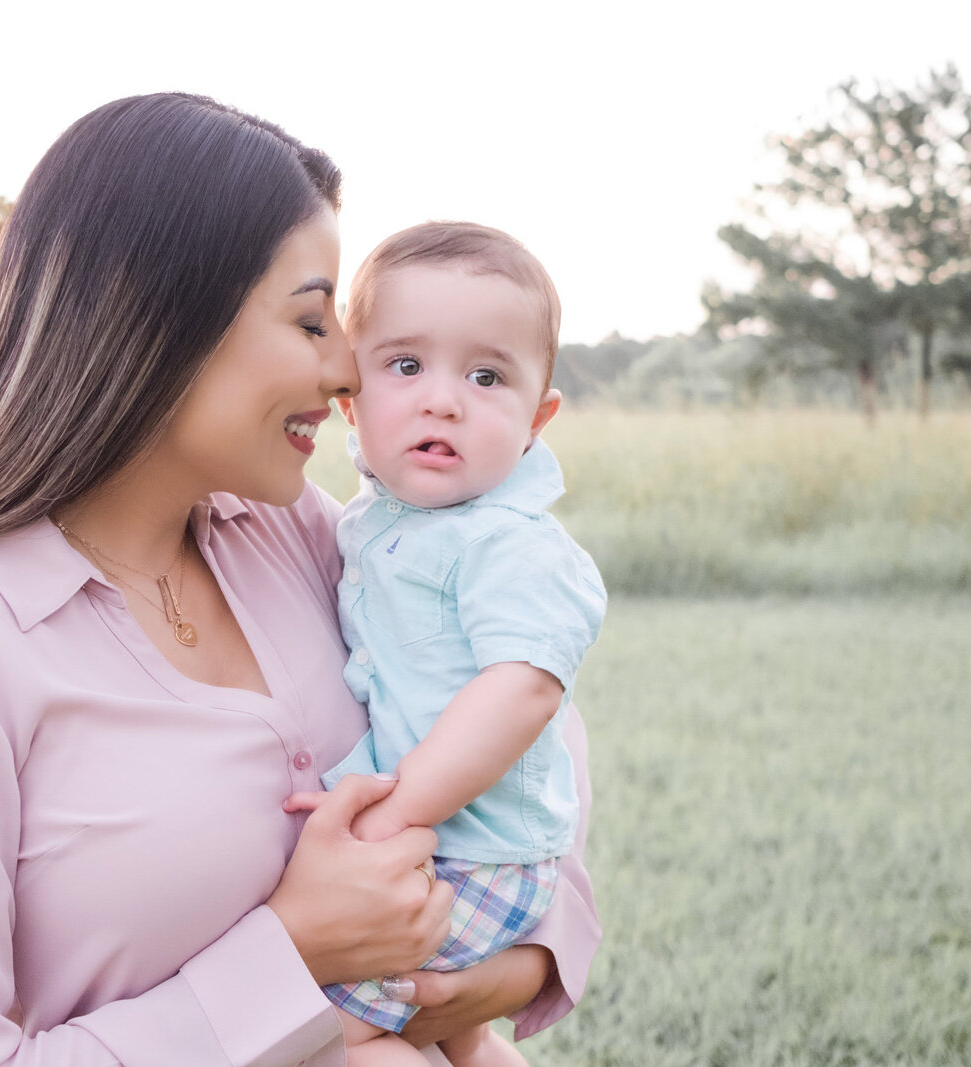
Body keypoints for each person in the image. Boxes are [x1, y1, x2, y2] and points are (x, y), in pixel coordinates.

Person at [0, 94, 601, 1066]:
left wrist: (497, 974)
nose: (348, 366)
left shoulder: (299, 532)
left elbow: (522, 738)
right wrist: (292, 953)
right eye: (313, 319)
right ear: (159, 313)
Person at [285, 223, 606, 1066]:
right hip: (461, 849)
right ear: (350, 399)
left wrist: (397, 811)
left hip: (475, 857)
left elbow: (524, 689)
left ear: (538, 420)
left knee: (322, 1025)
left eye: (487, 375)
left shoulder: (507, 542)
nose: (443, 399)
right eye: (405, 365)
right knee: (461, 1031)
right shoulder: (378, 522)